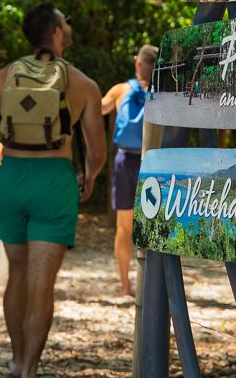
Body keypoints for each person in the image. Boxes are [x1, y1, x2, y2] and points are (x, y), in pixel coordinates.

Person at [0, 3, 105, 378]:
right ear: (57, 32)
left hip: (10, 177)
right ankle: (29, 368)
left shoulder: (3, 77)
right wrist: (89, 176)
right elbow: (96, 150)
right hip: (54, 180)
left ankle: (14, 359)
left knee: (17, 274)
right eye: (66, 22)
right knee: (42, 284)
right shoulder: (83, 84)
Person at [101, 44, 158, 296]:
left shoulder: (121, 90)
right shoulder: (164, 91)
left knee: (124, 227)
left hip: (125, 160)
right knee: (155, 225)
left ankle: (125, 287)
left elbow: (96, 108)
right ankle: (151, 288)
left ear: (138, 63)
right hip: (155, 163)